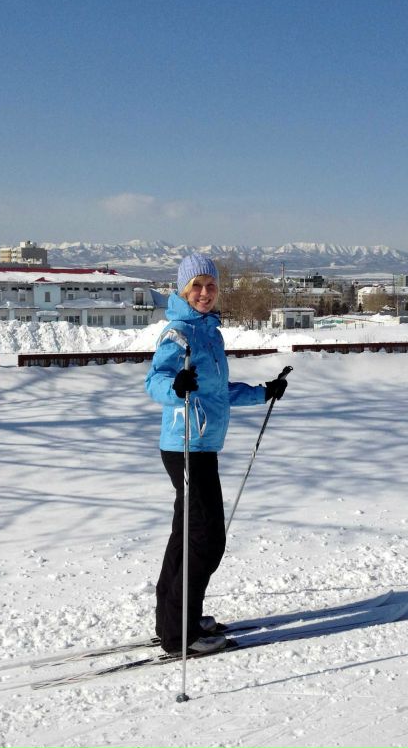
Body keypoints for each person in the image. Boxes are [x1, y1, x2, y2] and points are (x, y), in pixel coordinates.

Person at [145, 253, 288, 655]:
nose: (204, 293)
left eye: (210, 286)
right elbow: (154, 380)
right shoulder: (179, 332)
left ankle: (174, 619)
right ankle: (181, 634)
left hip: (202, 445)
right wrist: (175, 386)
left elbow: (217, 391)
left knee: (186, 536)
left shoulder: (210, 332)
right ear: (183, 290)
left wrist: (262, 393)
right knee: (207, 540)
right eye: (197, 286)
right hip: (186, 446)